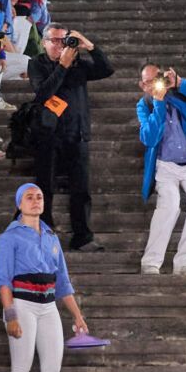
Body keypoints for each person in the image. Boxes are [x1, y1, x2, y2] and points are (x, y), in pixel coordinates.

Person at [0, 183, 88, 372]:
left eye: (39, 197)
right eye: (29, 197)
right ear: (19, 204)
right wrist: (10, 315)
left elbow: (63, 282)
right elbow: (3, 281)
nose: (35, 201)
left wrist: (77, 316)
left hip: (47, 306)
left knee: (52, 369)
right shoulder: (7, 239)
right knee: (21, 367)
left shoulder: (51, 238)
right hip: (22, 303)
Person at [20, 24, 115, 252]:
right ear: (44, 43)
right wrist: (61, 66)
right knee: (45, 186)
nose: (59, 45)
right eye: (54, 40)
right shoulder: (37, 64)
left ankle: (82, 236)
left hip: (78, 133)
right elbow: (42, 93)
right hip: (49, 135)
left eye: (64, 40)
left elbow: (106, 70)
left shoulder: (77, 64)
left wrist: (89, 46)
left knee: (81, 188)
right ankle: (43, 233)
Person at [135, 63, 186, 278]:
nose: (155, 84)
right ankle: (151, 262)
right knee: (169, 207)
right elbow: (150, 138)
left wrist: (181, 83)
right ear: (142, 85)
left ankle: (185, 263)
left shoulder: (183, 95)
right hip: (166, 166)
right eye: (149, 82)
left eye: (158, 79)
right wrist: (159, 104)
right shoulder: (145, 105)